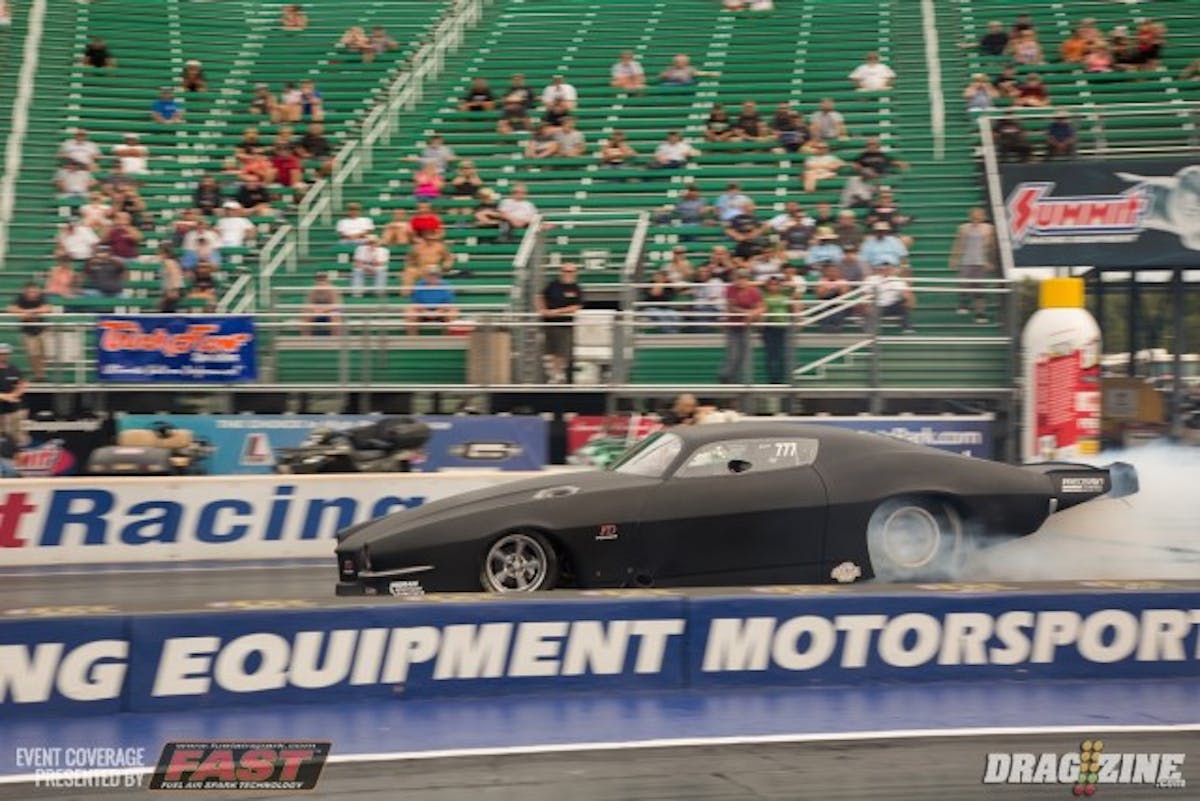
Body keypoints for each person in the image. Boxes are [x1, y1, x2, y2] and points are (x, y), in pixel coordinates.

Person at [536, 262, 584, 384]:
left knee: (562, 351)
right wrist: (543, 310)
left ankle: (560, 374)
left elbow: (576, 306)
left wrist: (556, 312)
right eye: (565, 271)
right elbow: (540, 296)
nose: (568, 274)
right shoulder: (553, 285)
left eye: (571, 271)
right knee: (551, 351)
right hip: (549, 324)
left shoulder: (576, 288)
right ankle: (554, 374)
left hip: (564, 324)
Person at [948, 208, 996, 323]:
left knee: (979, 289)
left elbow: (992, 247)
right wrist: (954, 258)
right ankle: (963, 303)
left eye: (979, 216)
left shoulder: (988, 228)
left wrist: (991, 261)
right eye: (974, 216)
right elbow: (958, 244)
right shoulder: (963, 228)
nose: (976, 219)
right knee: (963, 283)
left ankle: (980, 313)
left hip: (981, 262)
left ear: (983, 217)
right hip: (967, 261)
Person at [717, 269, 764, 384]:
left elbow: (761, 307)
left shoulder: (754, 291)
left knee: (744, 354)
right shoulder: (730, 289)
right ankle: (725, 377)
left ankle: (740, 380)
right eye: (738, 278)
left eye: (743, 278)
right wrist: (746, 313)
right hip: (733, 326)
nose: (741, 281)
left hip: (747, 327)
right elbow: (731, 307)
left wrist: (753, 314)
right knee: (733, 354)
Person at [8, 284, 52, 381]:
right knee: (33, 354)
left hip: (42, 330)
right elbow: (10, 308)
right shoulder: (21, 298)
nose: (32, 294)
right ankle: (39, 376)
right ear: (25, 291)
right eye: (30, 292)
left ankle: (42, 374)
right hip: (28, 331)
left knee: (44, 353)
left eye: (34, 292)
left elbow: (48, 308)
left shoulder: (41, 297)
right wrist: (24, 312)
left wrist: (33, 312)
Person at [760, 275, 793, 384]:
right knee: (771, 354)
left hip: (782, 327)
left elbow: (794, 289)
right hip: (769, 328)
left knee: (782, 354)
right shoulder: (764, 296)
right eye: (771, 284)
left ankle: (782, 378)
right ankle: (772, 379)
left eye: (776, 284)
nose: (774, 287)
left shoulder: (785, 296)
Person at [406, 268, 458, 335]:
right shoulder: (419, 284)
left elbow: (448, 303)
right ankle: (413, 339)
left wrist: (438, 312)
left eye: (435, 275)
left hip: (441, 312)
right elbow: (416, 302)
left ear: (439, 276)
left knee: (453, 311)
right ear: (425, 276)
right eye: (430, 275)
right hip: (422, 311)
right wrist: (425, 312)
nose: (432, 277)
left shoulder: (445, 285)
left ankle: (446, 338)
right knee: (409, 310)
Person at [867, 263, 915, 333]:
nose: (886, 271)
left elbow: (905, 293)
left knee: (904, 305)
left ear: (892, 270)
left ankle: (906, 328)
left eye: (888, 269)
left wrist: (908, 299)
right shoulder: (872, 279)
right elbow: (866, 293)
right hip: (877, 305)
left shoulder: (897, 281)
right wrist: (869, 303)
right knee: (869, 306)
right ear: (880, 270)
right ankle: (871, 331)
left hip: (891, 306)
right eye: (884, 269)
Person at [0, 344, 28, 446]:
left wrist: (15, 394)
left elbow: (23, 383)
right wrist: (5, 397)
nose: (3, 356)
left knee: (14, 437)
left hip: (12, 410)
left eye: (5, 354)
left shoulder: (14, 369)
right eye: (1, 354)